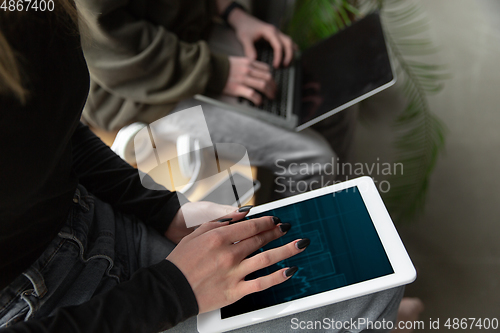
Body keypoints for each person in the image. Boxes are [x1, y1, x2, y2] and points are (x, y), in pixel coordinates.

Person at [0, 4, 404, 333]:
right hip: (46, 310)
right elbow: (119, 55)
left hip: (93, 218)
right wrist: (174, 291)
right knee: (369, 298)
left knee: (368, 290)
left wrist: (164, 209)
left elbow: (61, 130)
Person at [77, 0, 357, 197]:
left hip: (191, 39)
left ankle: (328, 212)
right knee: (316, 160)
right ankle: (290, 265)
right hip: (136, 87)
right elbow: (111, 45)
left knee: (333, 107)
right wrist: (218, 72)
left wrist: (235, 13)